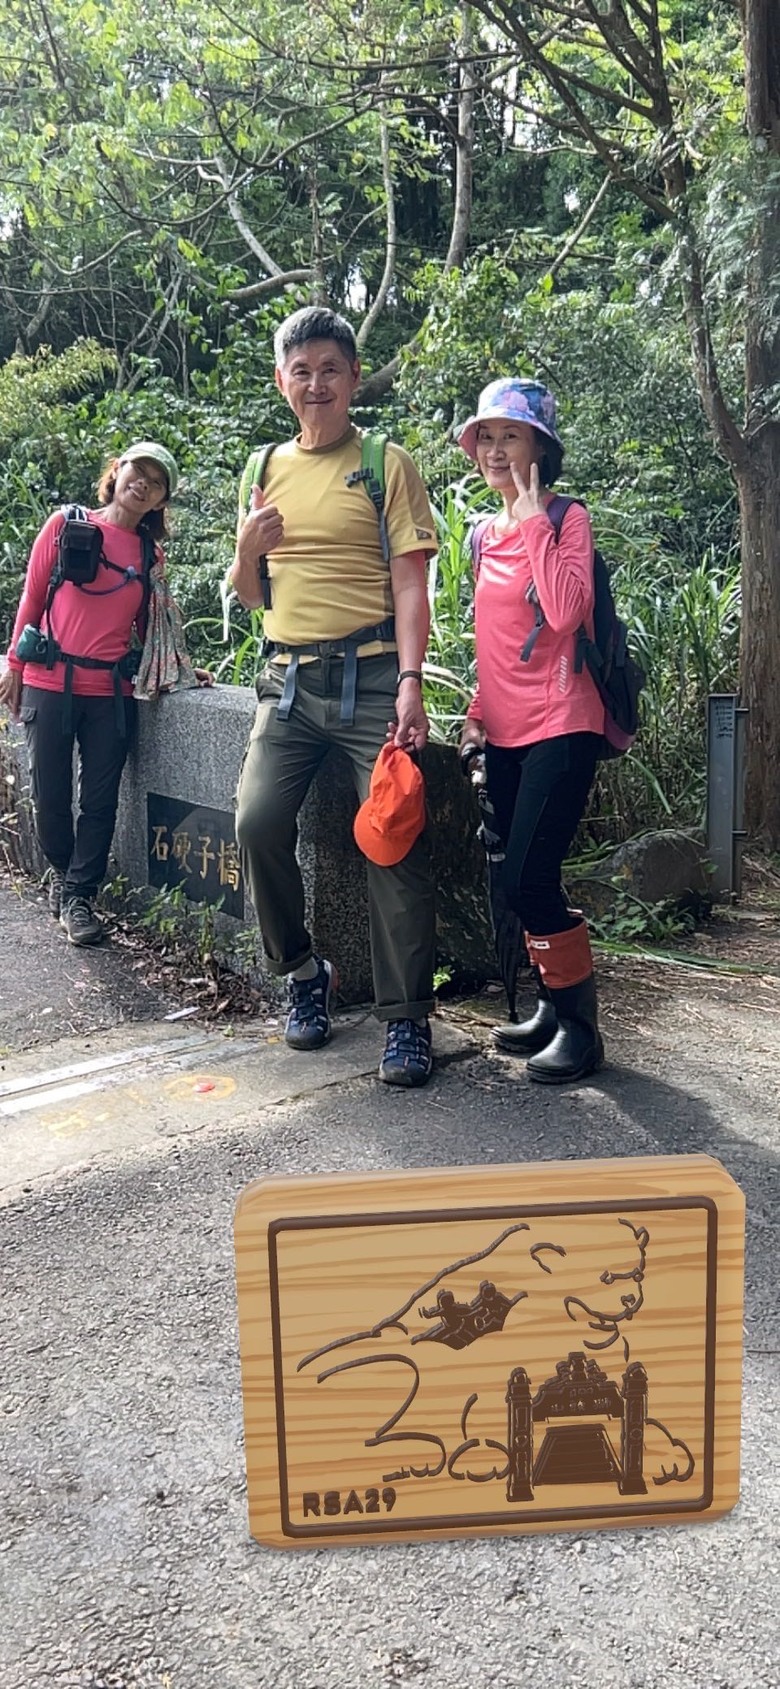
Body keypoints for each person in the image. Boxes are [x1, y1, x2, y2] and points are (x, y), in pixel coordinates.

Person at [231, 305, 438, 1087]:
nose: (315, 383)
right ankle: (302, 971)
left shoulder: (385, 462)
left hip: (374, 675)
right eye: (301, 370)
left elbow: (411, 586)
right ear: (280, 380)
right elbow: (253, 596)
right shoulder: (262, 468)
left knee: (394, 834)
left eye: (330, 369)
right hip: (286, 681)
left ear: (353, 378)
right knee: (255, 820)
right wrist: (246, 551)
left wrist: (412, 682)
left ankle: (406, 1016)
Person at [0, 442, 211, 946]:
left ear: (161, 501)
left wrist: (180, 670)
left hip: (109, 693)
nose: (144, 484)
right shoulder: (65, 525)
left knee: (100, 801)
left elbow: (150, 628)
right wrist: (14, 665)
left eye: (156, 483)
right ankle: (61, 871)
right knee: (50, 796)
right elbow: (32, 597)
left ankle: (79, 896)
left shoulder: (148, 554)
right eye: (139, 471)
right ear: (117, 471)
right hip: (49, 682)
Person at [456, 378, 605, 1084]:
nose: (494, 449)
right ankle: (551, 1006)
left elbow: (568, 611)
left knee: (528, 878)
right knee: (524, 881)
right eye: (485, 437)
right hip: (507, 730)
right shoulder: (482, 536)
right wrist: (477, 712)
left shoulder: (567, 519)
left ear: (539, 447)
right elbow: (494, 639)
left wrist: (532, 518)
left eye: (509, 436)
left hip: (563, 721)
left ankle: (581, 1028)